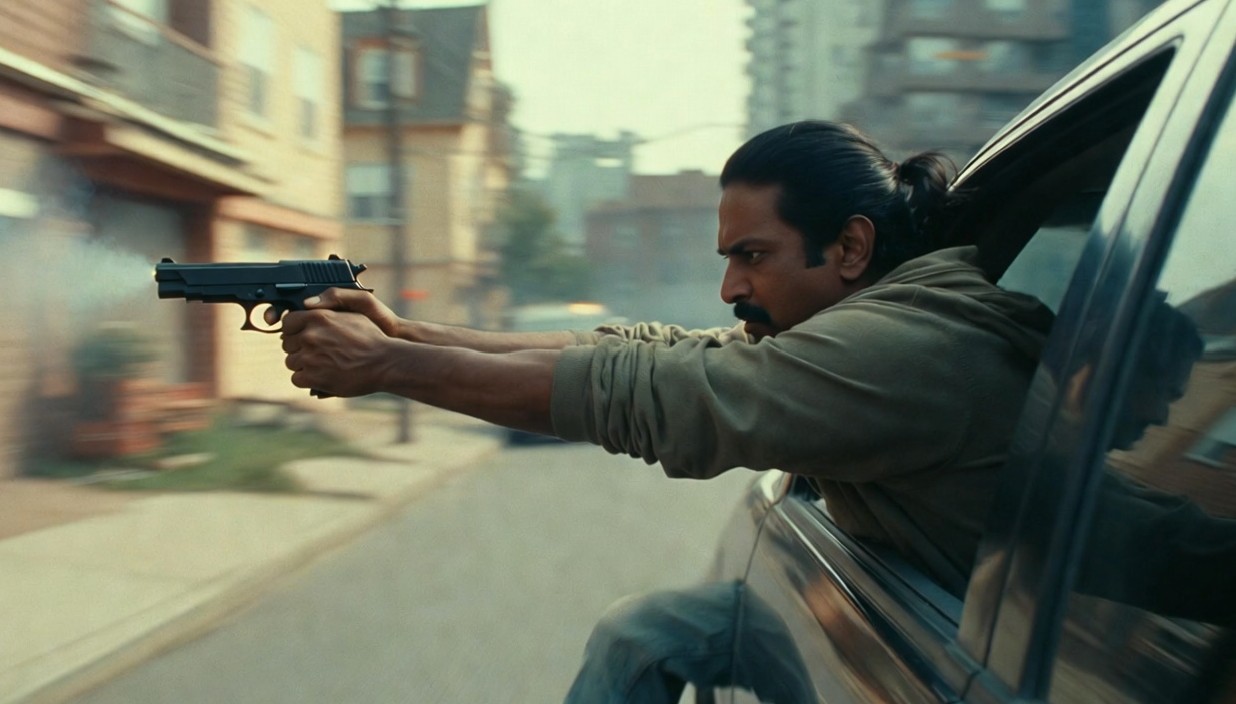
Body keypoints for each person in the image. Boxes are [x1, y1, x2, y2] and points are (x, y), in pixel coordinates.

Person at [273, 120, 1056, 701]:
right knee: (642, 632)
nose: (731, 288)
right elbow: (651, 351)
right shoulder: (876, 327)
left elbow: (654, 392)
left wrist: (388, 365)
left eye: (753, 256)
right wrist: (407, 334)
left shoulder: (908, 352)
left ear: (850, 248)